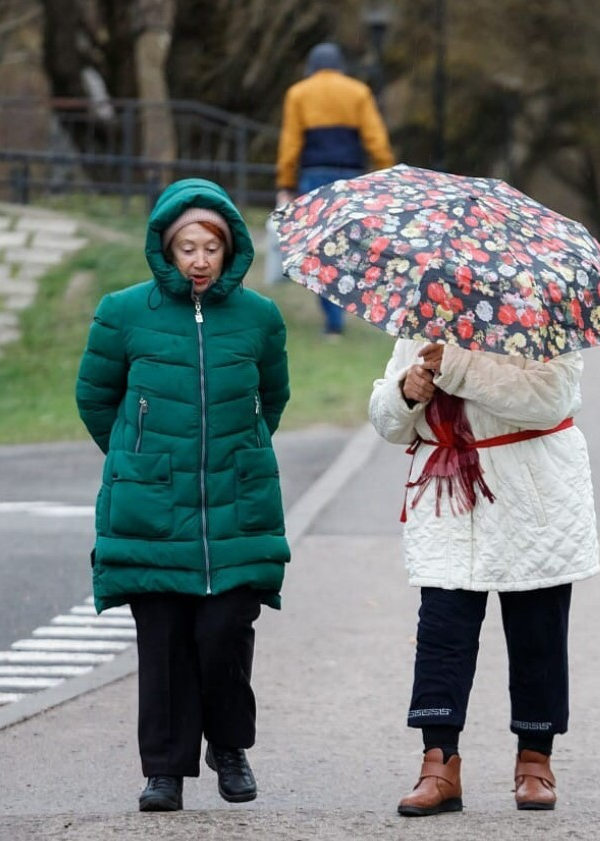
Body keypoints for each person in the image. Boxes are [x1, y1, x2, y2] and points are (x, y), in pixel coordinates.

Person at [75, 178, 290, 813]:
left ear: (231, 250)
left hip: (237, 499)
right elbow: (95, 399)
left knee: (226, 628)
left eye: (211, 247)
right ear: (166, 249)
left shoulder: (260, 317)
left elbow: (270, 400)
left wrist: (236, 451)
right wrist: (139, 456)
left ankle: (229, 748)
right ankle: (164, 771)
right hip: (151, 504)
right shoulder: (122, 312)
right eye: (186, 247)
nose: (199, 259)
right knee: (163, 637)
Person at [368, 338, 600, 816]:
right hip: (447, 493)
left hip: (534, 495)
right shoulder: (424, 323)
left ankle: (535, 761)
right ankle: (439, 764)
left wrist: (453, 367)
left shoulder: (543, 319)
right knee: (441, 632)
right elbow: (388, 423)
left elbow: (547, 399)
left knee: (538, 632)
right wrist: (404, 392)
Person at [276, 42, 395, 336]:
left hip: (314, 178)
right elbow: (376, 139)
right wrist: (386, 173)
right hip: (351, 179)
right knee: (352, 245)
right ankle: (347, 303)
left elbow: (290, 143)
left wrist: (286, 182)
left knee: (318, 247)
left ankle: (333, 321)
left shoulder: (298, 94)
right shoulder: (358, 92)